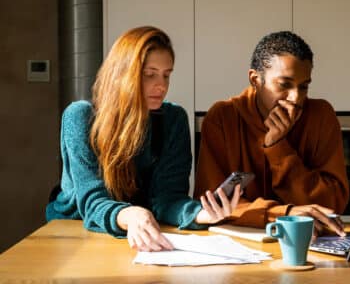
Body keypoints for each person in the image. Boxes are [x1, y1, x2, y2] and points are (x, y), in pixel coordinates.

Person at [46, 26, 241, 251]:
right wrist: (131, 214)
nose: (162, 85)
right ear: (121, 74)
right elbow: (92, 204)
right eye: (149, 74)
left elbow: (168, 199)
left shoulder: (173, 119)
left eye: (167, 75)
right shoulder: (79, 117)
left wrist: (201, 214)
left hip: (139, 232)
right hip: (73, 231)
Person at [194, 31, 349, 237]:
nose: (296, 98)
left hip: (311, 242)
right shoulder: (222, 117)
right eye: (284, 85)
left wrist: (278, 148)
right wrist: (285, 214)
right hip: (238, 247)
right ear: (255, 80)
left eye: (303, 87)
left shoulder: (321, 116)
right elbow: (211, 205)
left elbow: (331, 204)